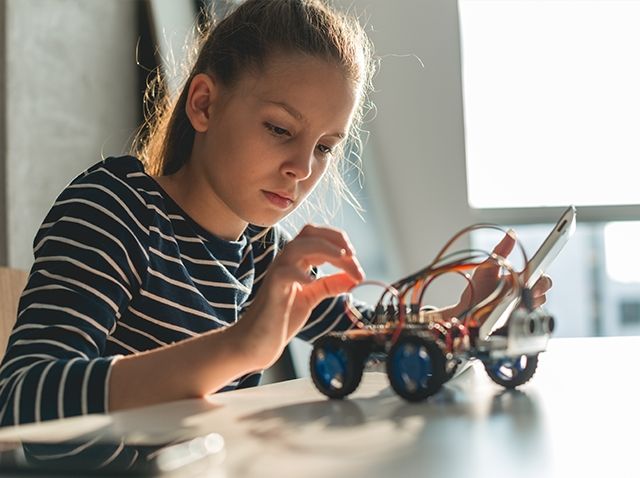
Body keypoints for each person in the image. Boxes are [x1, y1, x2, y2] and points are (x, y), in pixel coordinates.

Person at [0, 0, 551, 427]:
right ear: (205, 104)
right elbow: (22, 398)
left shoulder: (262, 251)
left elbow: (367, 343)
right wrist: (240, 346)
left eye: (325, 146)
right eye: (280, 129)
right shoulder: (115, 208)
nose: (301, 168)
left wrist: (462, 316)